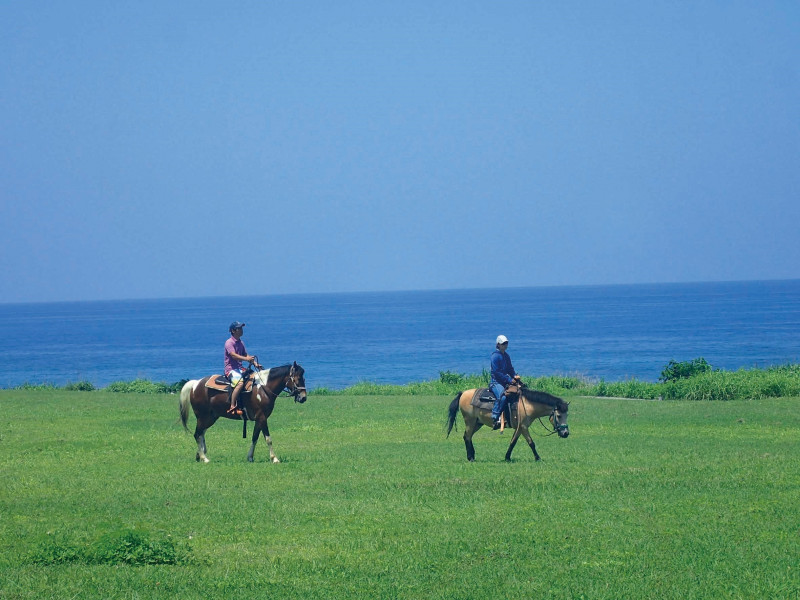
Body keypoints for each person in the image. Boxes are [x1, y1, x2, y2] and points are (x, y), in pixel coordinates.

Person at [224, 321, 260, 414]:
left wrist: (255, 363)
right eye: (239, 328)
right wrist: (247, 359)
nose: (241, 330)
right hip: (231, 369)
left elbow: (245, 354)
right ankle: (232, 405)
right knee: (239, 383)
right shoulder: (229, 343)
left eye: (241, 328)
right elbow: (234, 356)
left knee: (255, 378)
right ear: (233, 331)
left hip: (240, 368)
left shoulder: (241, 342)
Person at [490, 334, 521, 429]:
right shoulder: (495, 356)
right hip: (496, 382)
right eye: (503, 343)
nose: (505, 345)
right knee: (502, 397)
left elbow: (510, 369)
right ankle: (495, 416)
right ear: (498, 344)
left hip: (505, 382)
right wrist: (509, 379)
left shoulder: (506, 356)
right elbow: (497, 372)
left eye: (506, 343)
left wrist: (515, 376)